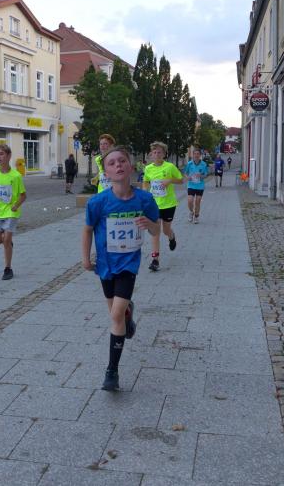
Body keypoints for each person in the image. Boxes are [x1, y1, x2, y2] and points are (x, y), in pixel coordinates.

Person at [83, 146, 159, 391]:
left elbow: (156, 229)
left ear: (131, 166)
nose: (118, 165)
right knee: (116, 315)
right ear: (106, 172)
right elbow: (87, 230)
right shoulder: (98, 202)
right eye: (112, 163)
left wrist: (149, 224)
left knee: (115, 316)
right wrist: (85, 259)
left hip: (128, 264)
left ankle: (112, 371)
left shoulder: (145, 199)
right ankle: (127, 313)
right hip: (105, 265)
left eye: (122, 161)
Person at [0, 144, 26, 280]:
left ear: (8, 156)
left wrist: (16, 205)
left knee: (7, 239)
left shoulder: (16, 176)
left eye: (1, 154)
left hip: (11, 212)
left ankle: (8, 269)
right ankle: (8, 243)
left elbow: (23, 195)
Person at [142, 141, 183, 272]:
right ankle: (155, 259)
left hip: (169, 204)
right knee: (155, 231)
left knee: (166, 230)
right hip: (154, 204)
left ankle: (171, 237)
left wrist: (170, 180)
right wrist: (145, 192)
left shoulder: (170, 167)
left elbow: (181, 180)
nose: (157, 154)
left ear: (164, 154)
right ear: (151, 154)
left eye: (159, 152)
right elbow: (146, 182)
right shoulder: (148, 168)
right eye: (154, 152)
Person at [183, 147, 209, 224]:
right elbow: (185, 173)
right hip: (191, 185)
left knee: (198, 201)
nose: (196, 155)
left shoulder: (203, 164)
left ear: (200, 155)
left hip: (200, 186)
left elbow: (206, 174)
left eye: (198, 154)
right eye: (195, 154)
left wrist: (201, 176)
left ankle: (196, 216)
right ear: (193, 155)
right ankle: (191, 212)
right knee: (190, 201)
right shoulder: (189, 164)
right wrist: (187, 177)